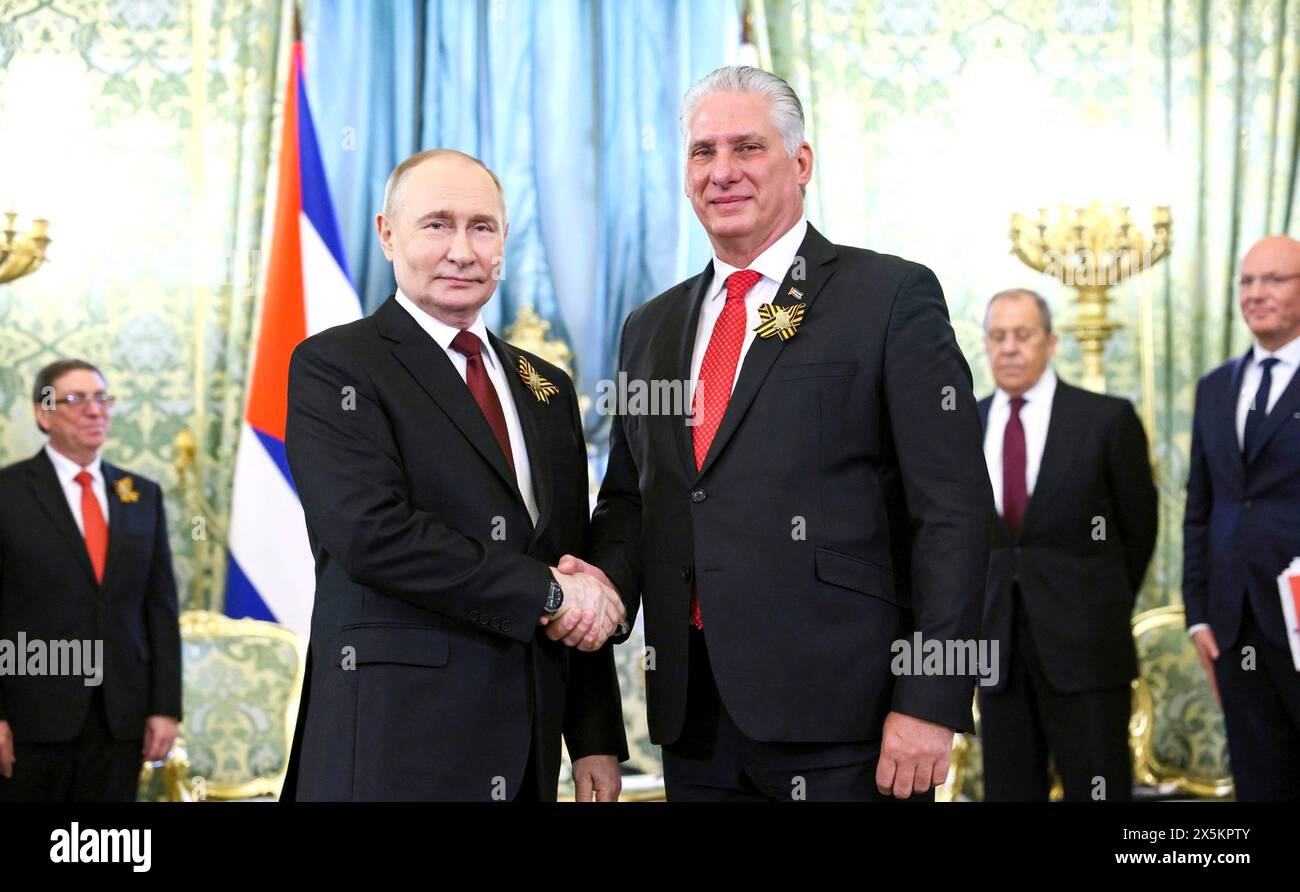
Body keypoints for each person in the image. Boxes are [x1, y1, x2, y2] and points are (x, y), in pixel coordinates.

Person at [565, 66, 992, 801]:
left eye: (747, 148)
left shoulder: (890, 298)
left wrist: (931, 698)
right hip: (694, 722)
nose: (721, 172)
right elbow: (636, 503)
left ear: (800, 163)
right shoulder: (650, 327)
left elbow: (953, 512)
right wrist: (596, 588)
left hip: (851, 723)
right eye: (702, 153)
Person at [283, 149, 627, 801]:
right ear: (388, 233)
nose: (462, 250)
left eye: (482, 226)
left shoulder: (545, 388)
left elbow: (571, 560)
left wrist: (594, 738)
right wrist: (546, 594)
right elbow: (370, 535)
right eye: (437, 224)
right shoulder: (337, 366)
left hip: (527, 750)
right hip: (392, 748)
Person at [977, 289, 1157, 801]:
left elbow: (1138, 531)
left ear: (1051, 342)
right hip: (997, 654)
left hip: (1086, 648)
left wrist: (1099, 606)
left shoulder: (1105, 420)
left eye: (1023, 335)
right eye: (998, 336)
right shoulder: (964, 422)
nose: (1009, 348)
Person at [0, 359, 180, 802]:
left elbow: (160, 608)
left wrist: (165, 707)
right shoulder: (8, 493)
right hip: (32, 715)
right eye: (76, 399)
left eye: (102, 398)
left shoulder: (141, 494)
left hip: (121, 717)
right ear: (43, 413)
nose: (95, 410)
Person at [1184, 235, 1300, 801]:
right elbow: (1199, 509)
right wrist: (1197, 614)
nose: (1256, 293)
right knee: (1259, 782)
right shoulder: (1215, 387)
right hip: (1233, 623)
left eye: (1274, 280)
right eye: (1247, 282)